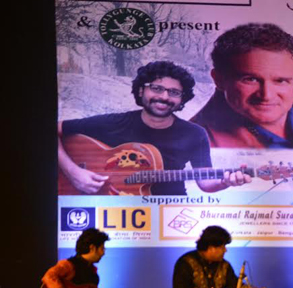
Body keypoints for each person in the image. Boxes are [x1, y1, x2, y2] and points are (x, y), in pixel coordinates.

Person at [58, 61, 251, 195]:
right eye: (157, 88)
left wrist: (226, 181)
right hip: (115, 211)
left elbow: (206, 183)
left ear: (182, 99)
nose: (164, 97)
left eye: (174, 92)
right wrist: (74, 173)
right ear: (141, 90)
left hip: (171, 211)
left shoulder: (194, 133)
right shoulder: (113, 123)